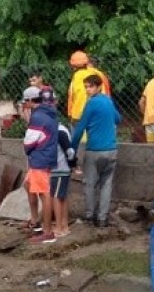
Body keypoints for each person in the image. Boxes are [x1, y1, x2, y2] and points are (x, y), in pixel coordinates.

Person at [70, 75, 121, 228]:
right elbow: (118, 119)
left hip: (94, 150)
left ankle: (89, 215)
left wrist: (71, 148)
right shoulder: (108, 101)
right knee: (106, 184)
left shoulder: (91, 104)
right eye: (86, 87)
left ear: (98, 87)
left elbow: (80, 128)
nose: (87, 90)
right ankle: (103, 218)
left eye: (90, 86)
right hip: (111, 150)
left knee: (90, 184)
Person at [21, 86, 59, 243]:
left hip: (40, 159)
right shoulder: (47, 113)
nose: (24, 104)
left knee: (44, 194)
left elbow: (29, 141)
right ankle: (35, 221)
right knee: (28, 184)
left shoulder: (37, 117)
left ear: (31, 101)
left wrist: (28, 149)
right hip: (45, 156)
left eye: (25, 101)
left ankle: (47, 232)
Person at [67, 51, 112, 133]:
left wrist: (76, 117)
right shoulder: (98, 74)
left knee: (81, 144)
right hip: (101, 113)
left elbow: (81, 96)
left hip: (83, 116)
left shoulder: (79, 76)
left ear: (73, 66)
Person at [52, 117, 77, 238]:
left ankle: (59, 228)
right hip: (61, 169)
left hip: (60, 170)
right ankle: (64, 226)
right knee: (62, 197)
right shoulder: (60, 130)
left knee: (56, 197)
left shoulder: (59, 132)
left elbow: (70, 151)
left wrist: (72, 165)